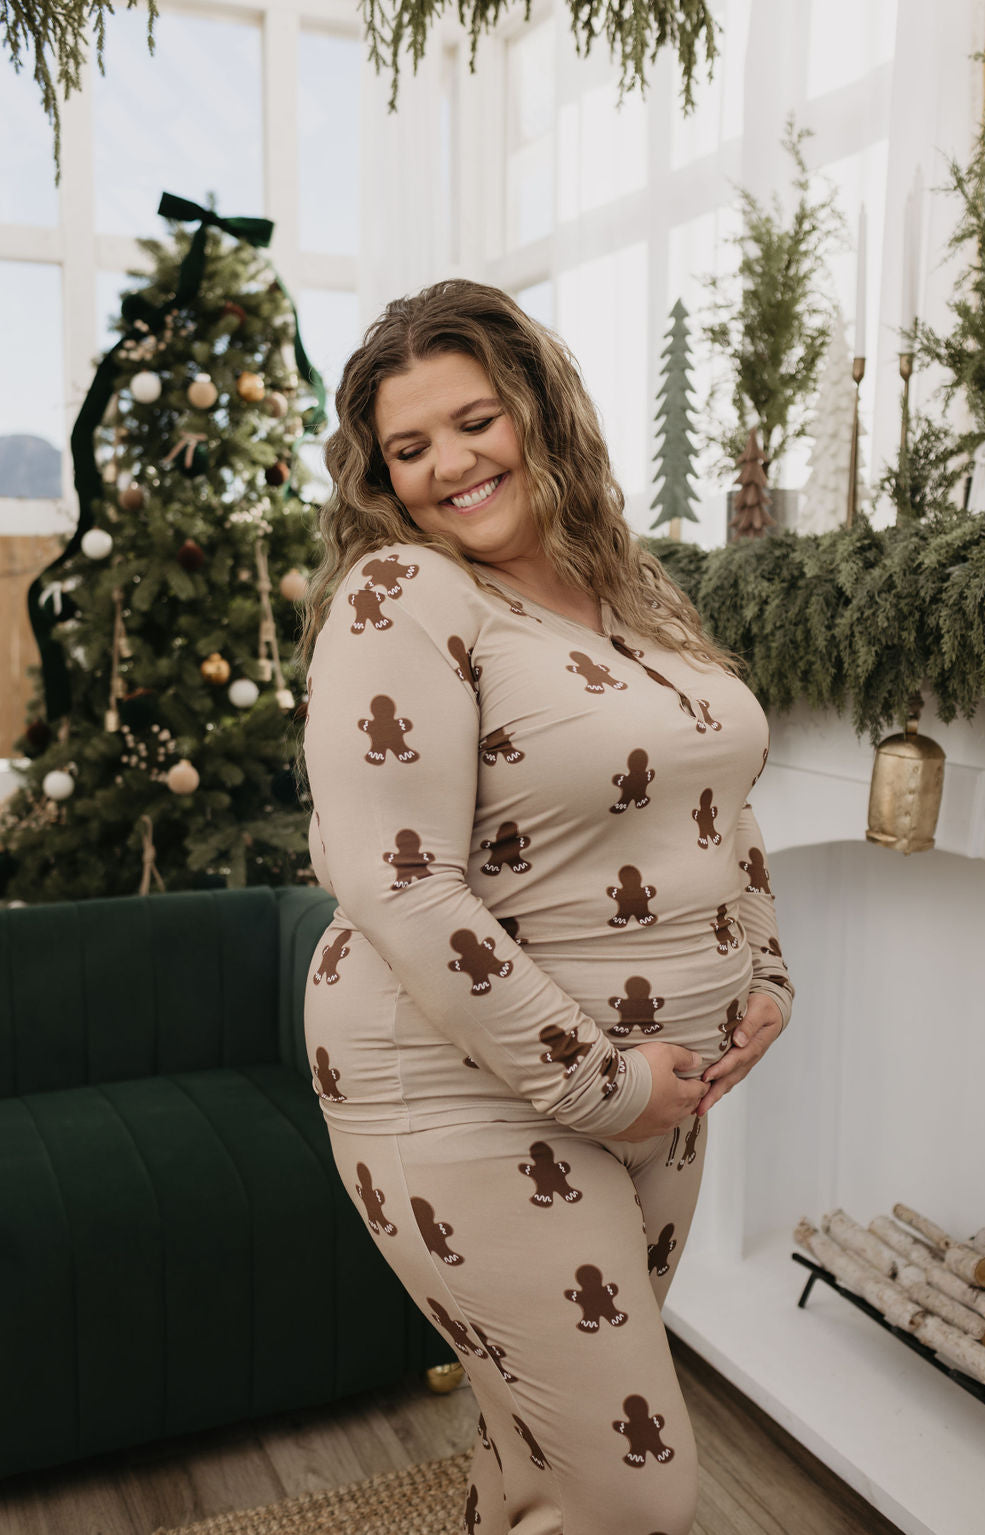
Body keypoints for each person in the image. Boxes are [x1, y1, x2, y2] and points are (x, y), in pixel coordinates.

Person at [298, 278, 794, 1535]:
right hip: (462, 1080)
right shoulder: (402, 596)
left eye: (476, 421)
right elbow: (396, 880)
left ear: (539, 410)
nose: (449, 465)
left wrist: (766, 973)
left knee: (541, 1448)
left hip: (664, 1087)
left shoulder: (632, 589)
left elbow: (716, 795)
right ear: (379, 473)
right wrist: (603, 1084)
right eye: (408, 448)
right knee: (633, 1487)